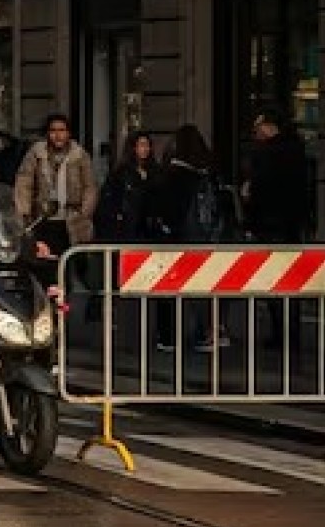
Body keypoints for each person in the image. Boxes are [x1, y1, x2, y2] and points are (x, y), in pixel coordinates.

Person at [143, 125, 231, 352]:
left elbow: (165, 209)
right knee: (210, 286)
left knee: (173, 288)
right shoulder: (211, 173)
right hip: (209, 238)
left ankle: (172, 336)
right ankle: (214, 331)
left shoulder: (173, 176)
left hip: (180, 239)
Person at [244, 108, 312, 349]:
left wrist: (249, 215)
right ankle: (291, 333)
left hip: (270, 225)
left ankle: (280, 333)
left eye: (257, 128)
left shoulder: (265, 155)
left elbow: (258, 192)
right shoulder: (297, 151)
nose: (255, 133)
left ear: (269, 126)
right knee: (290, 282)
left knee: (273, 281)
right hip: (292, 225)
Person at [92, 131, 158, 326]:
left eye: (146, 145)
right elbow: (109, 203)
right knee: (116, 274)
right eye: (140, 146)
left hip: (146, 229)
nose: (144, 150)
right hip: (124, 230)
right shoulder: (121, 174)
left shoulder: (155, 171)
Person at [14, 113, 97, 267]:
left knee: (73, 267)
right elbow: (24, 183)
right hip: (43, 221)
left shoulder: (80, 155)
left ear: (69, 133)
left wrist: (84, 214)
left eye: (62, 130)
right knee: (45, 265)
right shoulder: (37, 154)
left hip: (72, 222)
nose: (58, 135)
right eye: (53, 130)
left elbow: (90, 187)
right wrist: (24, 213)